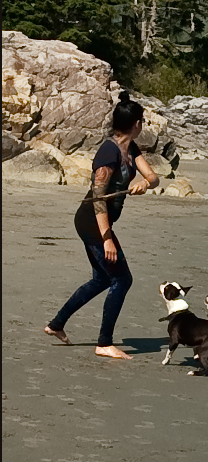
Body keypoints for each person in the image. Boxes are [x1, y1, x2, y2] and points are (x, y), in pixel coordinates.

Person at [44, 91, 160, 359]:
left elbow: (153, 177)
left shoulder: (130, 148)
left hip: (98, 222)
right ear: (136, 124)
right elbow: (98, 199)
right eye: (142, 121)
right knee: (121, 278)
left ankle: (56, 324)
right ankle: (104, 343)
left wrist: (145, 183)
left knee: (101, 279)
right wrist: (107, 237)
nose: (142, 125)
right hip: (92, 222)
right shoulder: (108, 152)